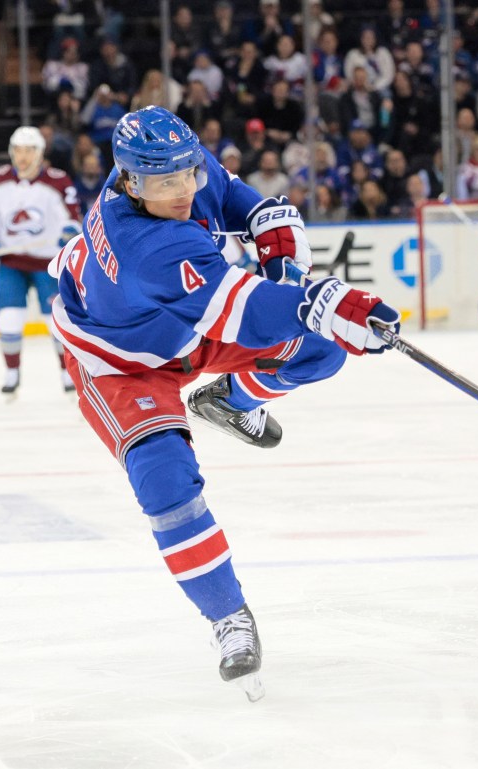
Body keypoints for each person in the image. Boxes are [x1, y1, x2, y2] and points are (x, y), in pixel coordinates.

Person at [46, 106, 400, 701]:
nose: (186, 189)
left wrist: (286, 262)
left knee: (321, 352)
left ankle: (232, 403)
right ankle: (227, 616)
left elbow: (255, 209)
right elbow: (249, 308)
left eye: (189, 173)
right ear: (130, 182)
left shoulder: (173, 162)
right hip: (121, 362)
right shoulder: (144, 246)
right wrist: (326, 301)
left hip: (185, 327)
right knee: (167, 483)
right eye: (166, 183)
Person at [0, 126, 82, 396]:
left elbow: (72, 217)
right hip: (11, 262)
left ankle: (66, 373)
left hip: (47, 263)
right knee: (8, 319)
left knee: (56, 321)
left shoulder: (58, 181)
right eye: (18, 150)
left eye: (29, 150)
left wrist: (68, 233)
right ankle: (12, 373)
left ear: (40, 153)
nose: (22, 157)